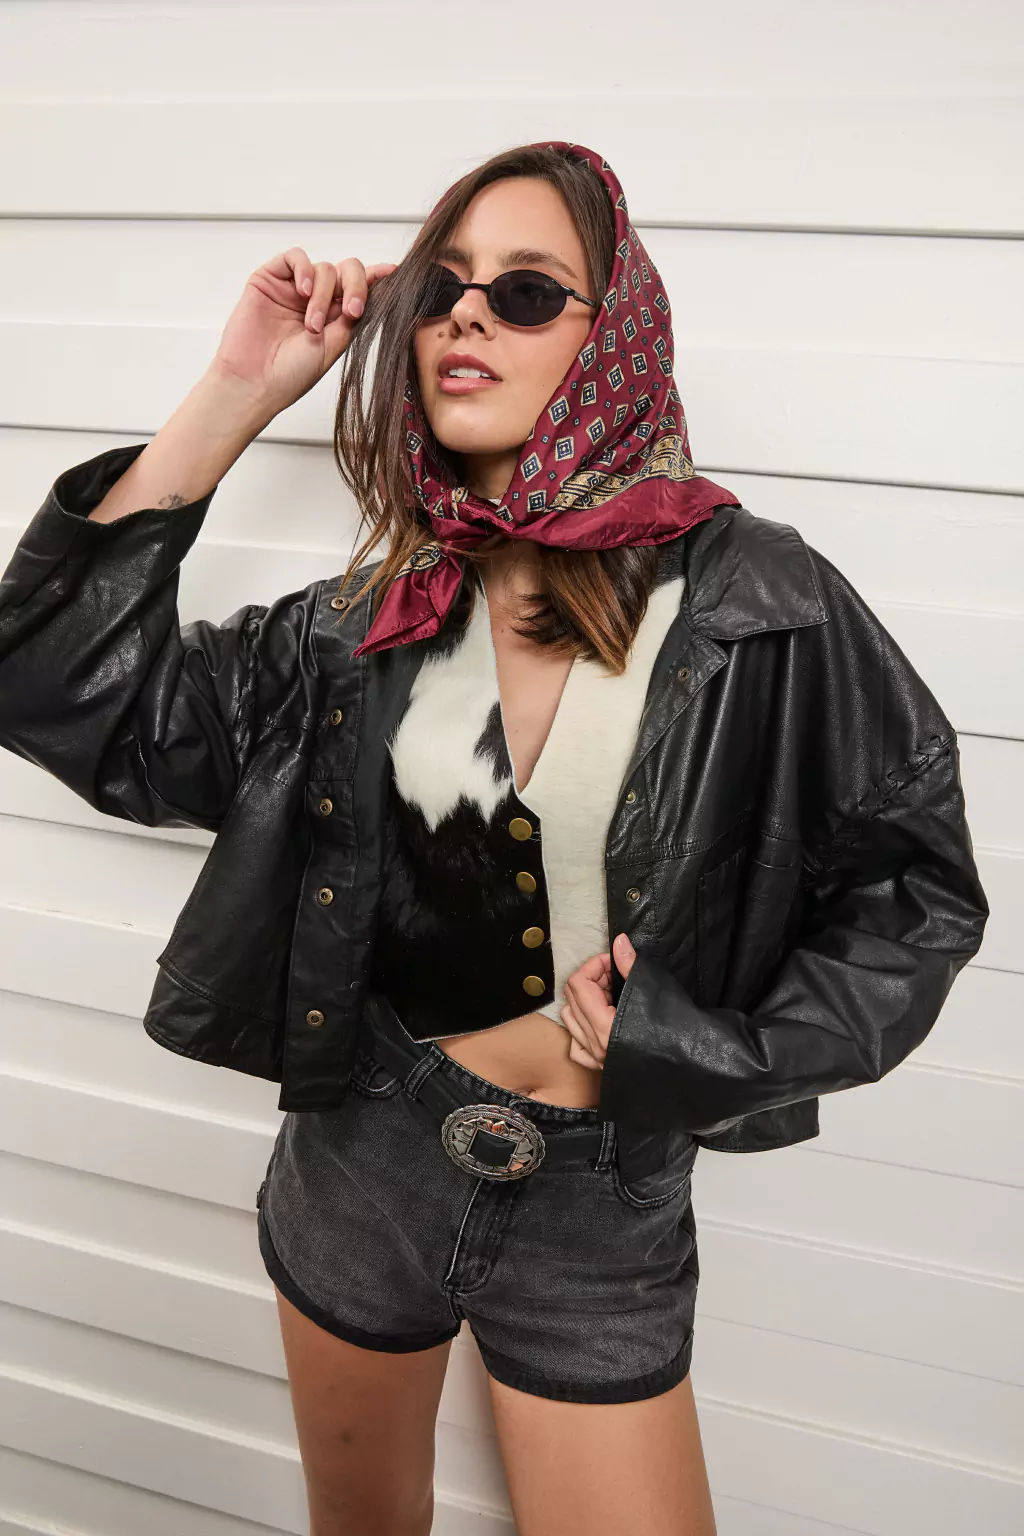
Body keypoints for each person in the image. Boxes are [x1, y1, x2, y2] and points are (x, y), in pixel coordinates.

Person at [0, 142, 988, 1536]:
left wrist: (715, 1051)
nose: (465, 314)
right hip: (364, 1155)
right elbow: (57, 688)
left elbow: (916, 895)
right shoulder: (362, 624)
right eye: (443, 289)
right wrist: (236, 391)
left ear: (612, 337)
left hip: (603, 1200)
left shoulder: (760, 598)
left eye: (525, 292)